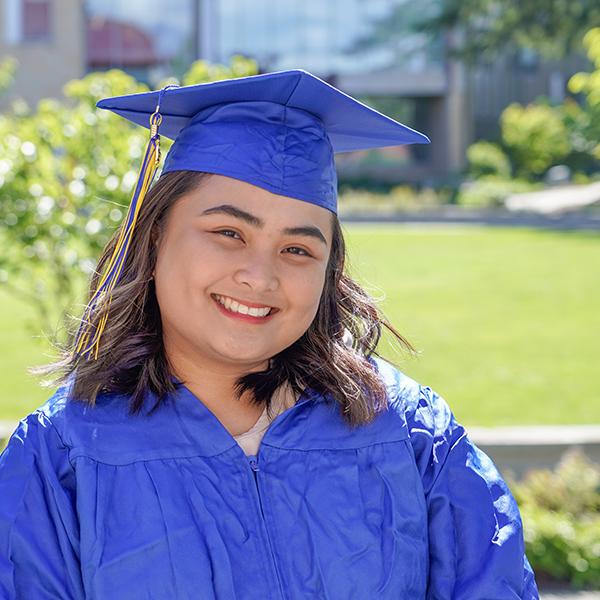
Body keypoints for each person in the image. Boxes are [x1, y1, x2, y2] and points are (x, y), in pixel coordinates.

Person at [0, 70, 539, 599]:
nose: (260, 277)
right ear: (155, 234)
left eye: (298, 249)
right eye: (228, 233)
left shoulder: (412, 435)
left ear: (329, 271)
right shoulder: (63, 456)